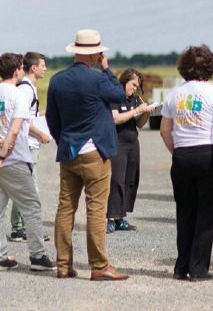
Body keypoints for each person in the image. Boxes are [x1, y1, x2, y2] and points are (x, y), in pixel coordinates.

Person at [46, 29, 129, 281]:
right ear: (95, 54)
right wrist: (107, 69)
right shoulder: (98, 79)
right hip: (95, 149)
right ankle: (99, 265)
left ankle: (63, 264)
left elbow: (52, 118)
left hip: (69, 150)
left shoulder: (57, 80)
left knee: (65, 207)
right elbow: (120, 94)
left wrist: (62, 140)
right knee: (96, 208)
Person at [0, 53, 56, 272]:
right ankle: (37, 255)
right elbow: (15, 130)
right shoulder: (19, 95)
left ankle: (1, 257)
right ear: (17, 70)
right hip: (14, 159)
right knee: (31, 206)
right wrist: (3, 154)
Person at [160, 45, 213, 281]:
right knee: (206, 213)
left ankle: (181, 267)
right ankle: (198, 268)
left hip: (181, 156)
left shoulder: (173, 94)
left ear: (184, 67)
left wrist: (177, 150)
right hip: (207, 154)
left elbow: (164, 130)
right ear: (209, 67)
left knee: (185, 211)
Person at [9, 52, 52, 243]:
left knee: (24, 187)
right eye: (42, 65)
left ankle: (19, 228)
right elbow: (23, 118)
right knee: (30, 188)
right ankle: (24, 229)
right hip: (27, 144)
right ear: (33, 68)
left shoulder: (27, 88)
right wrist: (40, 134)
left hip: (28, 143)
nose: (45, 68)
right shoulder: (26, 90)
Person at [107, 68, 153, 233]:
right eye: (133, 85)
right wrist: (136, 111)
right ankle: (110, 218)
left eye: (137, 87)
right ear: (125, 81)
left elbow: (139, 124)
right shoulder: (114, 98)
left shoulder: (134, 99)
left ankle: (120, 217)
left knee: (129, 179)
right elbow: (115, 119)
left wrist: (146, 112)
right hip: (118, 144)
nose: (134, 89)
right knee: (116, 180)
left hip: (133, 143)